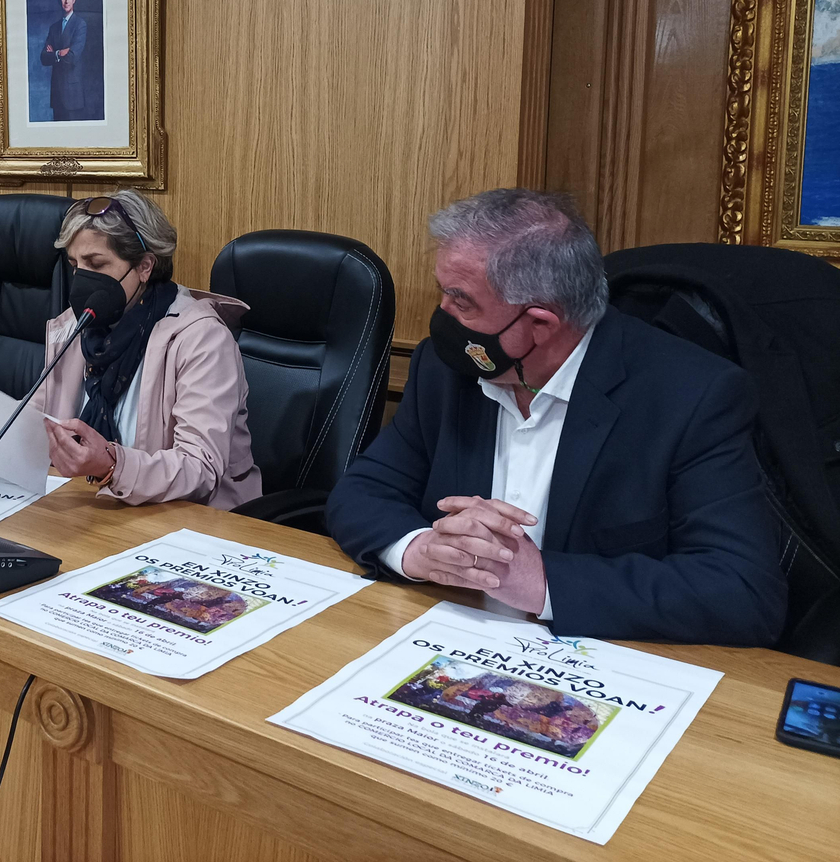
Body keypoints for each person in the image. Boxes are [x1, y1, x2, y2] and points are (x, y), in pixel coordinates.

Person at [324, 188, 787, 646]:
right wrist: (419, 550)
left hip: (604, 664)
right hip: (444, 633)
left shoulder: (693, 397)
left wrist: (545, 582)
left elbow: (743, 590)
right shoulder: (444, 368)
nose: (442, 315)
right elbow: (363, 491)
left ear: (541, 324)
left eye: (461, 301)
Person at [24, 191, 260, 509]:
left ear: (144, 266)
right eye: (75, 264)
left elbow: (200, 468)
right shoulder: (75, 326)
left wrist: (112, 465)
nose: (81, 279)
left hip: (191, 523)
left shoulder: (202, 338)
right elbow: (38, 424)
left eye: (96, 263)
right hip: (94, 508)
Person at [40, 0, 89, 121]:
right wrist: (59, 53)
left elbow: (72, 57)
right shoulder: (54, 28)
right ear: (60, 0)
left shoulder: (80, 24)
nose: (66, 1)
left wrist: (53, 54)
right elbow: (44, 58)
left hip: (73, 96)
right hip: (57, 95)